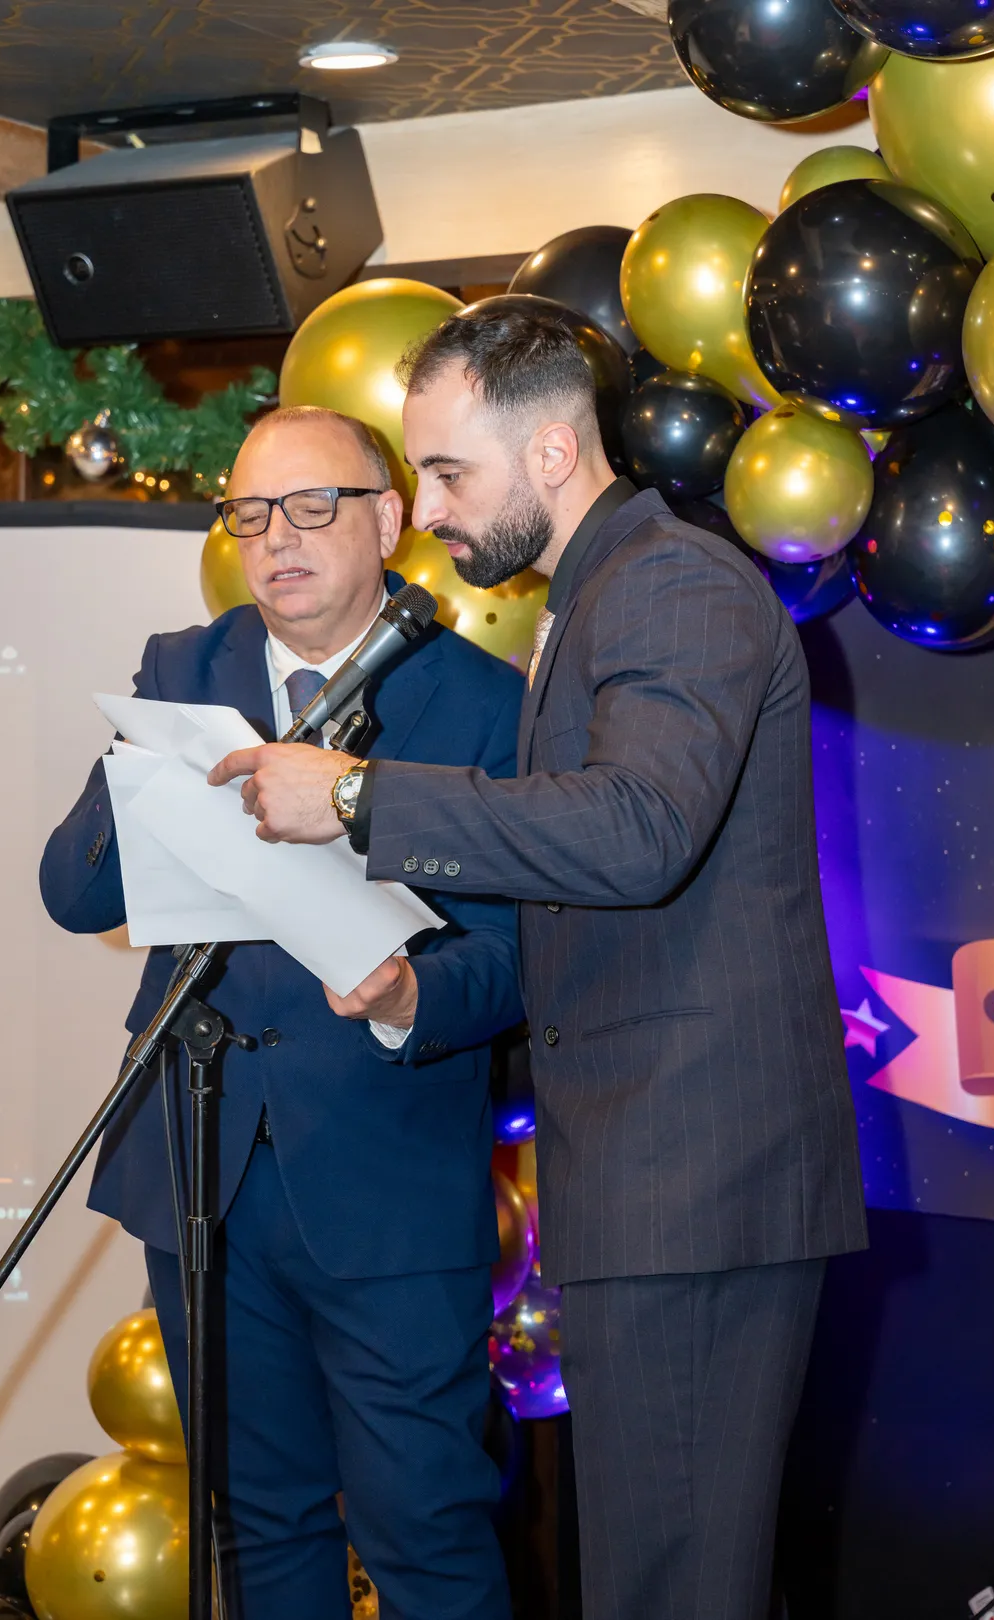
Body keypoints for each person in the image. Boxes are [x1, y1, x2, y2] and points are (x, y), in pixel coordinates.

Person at [209, 310, 870, 1620]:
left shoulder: (671, 587)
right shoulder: (592, 599)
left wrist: (355, 801)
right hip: (653, 1182)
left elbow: (636, 831)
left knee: (670, 1587)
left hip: (699, 1183)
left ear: (555, 450)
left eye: (451, 473)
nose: (433, 510)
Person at [40, 404, 524, 1620]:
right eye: (251, 513)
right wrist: (137, 769)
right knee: (256, 1529)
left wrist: (414, 991)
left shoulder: (483, 703)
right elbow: (71, 891)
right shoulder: (181, 669)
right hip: (201, 1167)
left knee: (428, 1528)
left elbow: (526, 957)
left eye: (313, 507)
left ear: (391, 520)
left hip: (390, 1183)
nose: (278, 540)